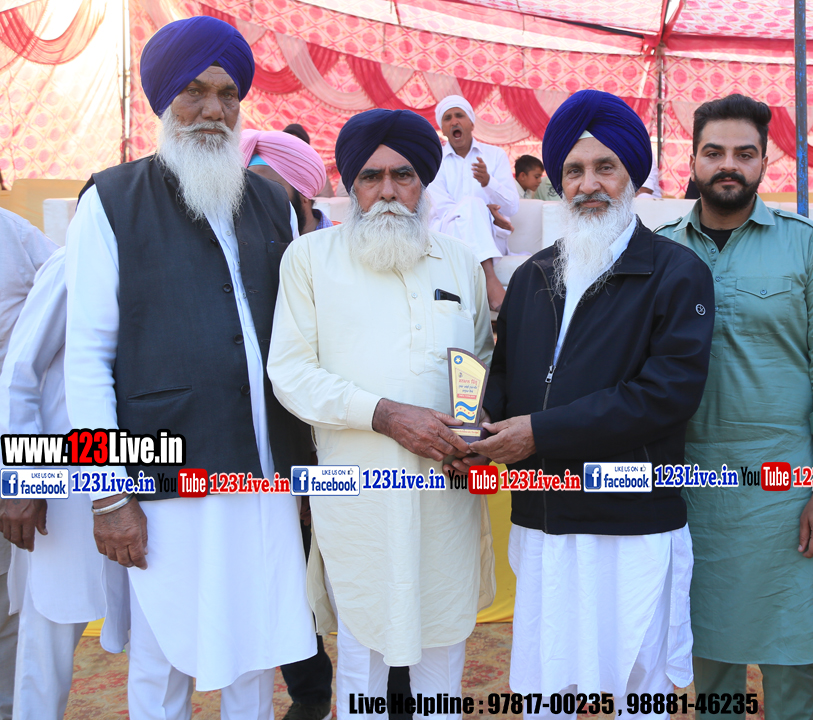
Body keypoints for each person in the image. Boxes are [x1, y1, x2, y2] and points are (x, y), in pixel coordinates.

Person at [63, 16, 316, 720]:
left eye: (228, 94)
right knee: (163, 656)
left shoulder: (271, 202)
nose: (213, 109)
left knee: (257, 648)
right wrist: (107, 496)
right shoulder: (110, 202)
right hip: (164, 479)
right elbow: (87, 359)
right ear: (163, 99)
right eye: (194, 92)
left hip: (263, 475)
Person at [459, 89, 714, 718]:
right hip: (544, 522)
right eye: (573, 171)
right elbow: (508, 380)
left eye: (606, 167)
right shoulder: (532, 277)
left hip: (630, 525)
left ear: (633, 176)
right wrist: (479, 427)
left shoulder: (676, 272)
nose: (588, 184)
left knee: (634, 688)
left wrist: (539, 434)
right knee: (548, 685)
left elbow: (666, 395)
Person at [267, 108, 495, 720]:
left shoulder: (458, 260)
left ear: (424, 181)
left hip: (445, 493)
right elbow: (290, 372)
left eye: (403, 175)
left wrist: (472, 433)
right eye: (371, 177)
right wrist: (385, 415)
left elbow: (477, 359)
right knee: (363, 660)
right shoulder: (309, 258)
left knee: (442, 655)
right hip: (358, 497)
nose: (388, 191)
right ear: (350, 185)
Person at [655, 94, 813, 720]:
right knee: (708, 656)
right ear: (691, 161)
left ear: (765, 163)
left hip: (785, 487)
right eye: (714, 152)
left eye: (745, 153)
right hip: (689, 487)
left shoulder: (806, 246)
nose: (728, 165)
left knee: (790, 654)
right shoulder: (659, 252)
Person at [0, 248, 129, 720]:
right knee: (51, 623)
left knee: (153, 625)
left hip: (143, 470)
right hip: (64, 476)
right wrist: (21, 481)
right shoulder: (72, 260)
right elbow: (19, 372)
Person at [238, 127, 333, 720]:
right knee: (284, 579)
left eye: (269, 190)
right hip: (256, 456)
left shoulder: (335, 257)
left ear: (301, 199)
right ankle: (311, 693)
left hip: (333, 450)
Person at [0, 207, 55, 720]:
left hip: (10, 441)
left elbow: (29, 370)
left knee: (8, 606)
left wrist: (24, 479)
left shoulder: (13, 234)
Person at [427, 95, 519, 309]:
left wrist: (488, 182)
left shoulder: (495, 155)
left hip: (490, 235)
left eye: (459, 115)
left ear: (471, 123)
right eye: (447, 118)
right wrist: (483, 211)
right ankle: (490, 280)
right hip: (447, 233)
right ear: (443, 128)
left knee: (472, 205)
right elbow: (442, 210)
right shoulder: (434, 160)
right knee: (471, 204)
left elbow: (513, 206)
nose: (454, 121)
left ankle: (461, 304)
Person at [242, 129, 332, 235]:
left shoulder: (341, 242)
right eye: (252, 188)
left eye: (271, 188)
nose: (258, 198)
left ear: (304, 193)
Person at [282, 123, 335, 197]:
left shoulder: (316, 174)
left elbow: (326, 201)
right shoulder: (273, 168)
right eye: (288, 143)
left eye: (296, 144)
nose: (292, 148)